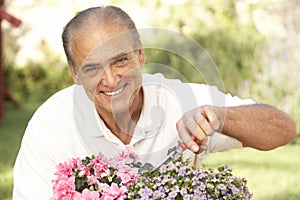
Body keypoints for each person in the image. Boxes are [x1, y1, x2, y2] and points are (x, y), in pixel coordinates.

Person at [12, 5, 296, 199]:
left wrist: (220, 117)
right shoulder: (51, 124)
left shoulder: (178, 100)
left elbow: (284, 129)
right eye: (92, 68)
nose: (111, 80)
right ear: (74, 74)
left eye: (120, 60)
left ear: (140, 55)